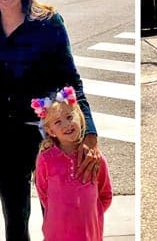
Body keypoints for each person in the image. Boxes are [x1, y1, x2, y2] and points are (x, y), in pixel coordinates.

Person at [0, 0, 103, 240]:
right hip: (3, 137)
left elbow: (71, 80)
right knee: (15, 221)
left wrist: (89, 134)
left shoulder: (48, 22)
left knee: (58, 217)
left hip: (48, 136)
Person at [32, 87, 113, 241]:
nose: (66, 125)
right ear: (50, 131)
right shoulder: (45, 159)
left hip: (88, 233)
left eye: (69, 117)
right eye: (58, 122)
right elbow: (43, 194)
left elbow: (105, 194)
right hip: (57, 233)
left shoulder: (94, 158)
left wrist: (92, 214)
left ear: (79, 118)